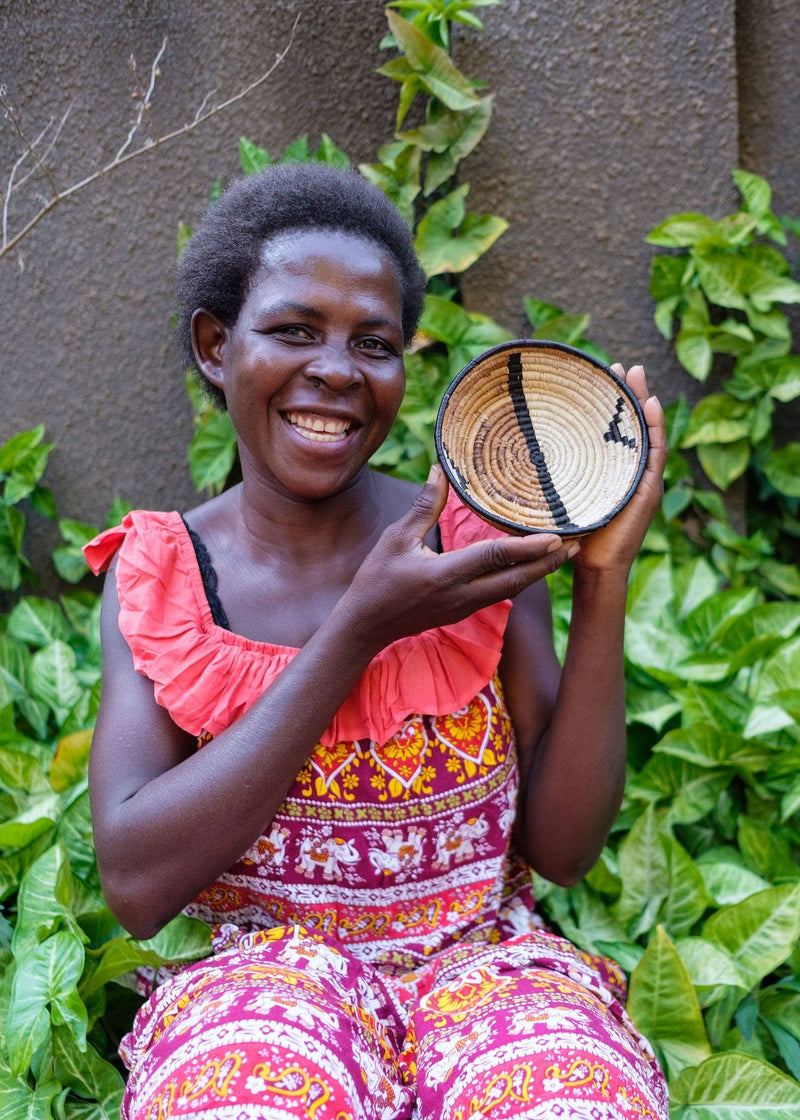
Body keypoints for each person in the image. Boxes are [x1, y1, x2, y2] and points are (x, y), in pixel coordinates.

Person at [85, 161, 669, 1120]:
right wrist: (361, 629)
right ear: (214, 346)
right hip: (257, 989)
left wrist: (602, 581)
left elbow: (563, 851)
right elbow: (137, 882)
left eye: (376, 343)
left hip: (487, 976)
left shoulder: (474, 546)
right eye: (292, 331)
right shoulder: (167, 576)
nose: (337, 370)